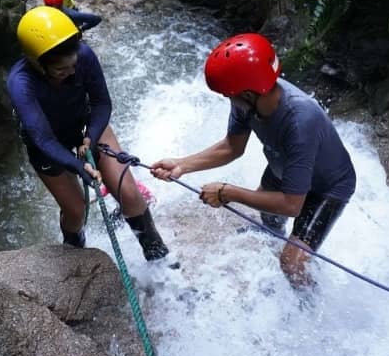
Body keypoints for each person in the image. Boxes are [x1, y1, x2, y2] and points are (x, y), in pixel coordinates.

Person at [150, 33, 355, 289]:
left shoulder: (300, 120)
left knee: (292, 264)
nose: (226, 99)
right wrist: (182, 165)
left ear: (248, 93)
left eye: (228, 94)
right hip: (284, 164)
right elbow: (231, 147)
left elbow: (292, 205)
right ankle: (278, 238)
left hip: (328, 187)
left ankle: (310, 306)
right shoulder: (247, 102)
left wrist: (228, 193)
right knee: (268, 219)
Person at [7, 6, 168, 259]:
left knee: (128, 193)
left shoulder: (83, 56)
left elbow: (102, 102)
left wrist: (90, 138)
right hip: (48, 143)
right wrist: (77, 165)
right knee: (76, 210)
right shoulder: (21, 83)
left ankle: (158, 257)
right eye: (61, 70)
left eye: (73, 65)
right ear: (38, 64)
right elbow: (43, 138)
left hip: (86, 125)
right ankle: (74, 252)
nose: (71, 72)